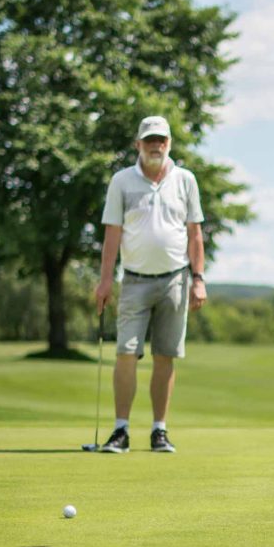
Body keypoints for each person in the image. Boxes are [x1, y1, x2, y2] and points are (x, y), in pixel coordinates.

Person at [94, 116, 207, 453]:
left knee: (165, 355)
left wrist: (198, 279)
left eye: (161, 140)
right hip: (134, 280)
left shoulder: (185, 180)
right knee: (126, 352)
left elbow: (195, 233)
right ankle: (120, 430)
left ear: (169, 143)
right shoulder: (122, 181)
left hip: (175, 279)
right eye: (149, 140)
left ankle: (159, 430)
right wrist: (104, 281)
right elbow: (112, 234)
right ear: (138, 145)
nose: (155, 145)